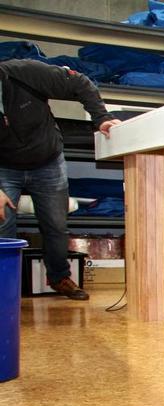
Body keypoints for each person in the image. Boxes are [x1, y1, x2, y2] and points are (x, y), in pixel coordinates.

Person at [0, 59, 120, 301]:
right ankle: (7, 288)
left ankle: (58, 278)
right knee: (3, 225)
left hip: (47, 160)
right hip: (4, 167)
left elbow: (80, 83)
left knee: (56, 225)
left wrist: (101, 118)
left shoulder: (24, 73)